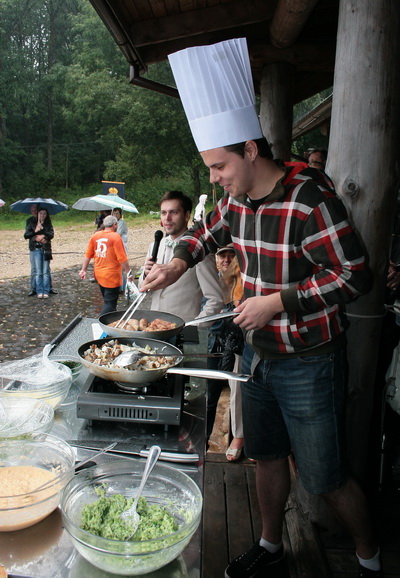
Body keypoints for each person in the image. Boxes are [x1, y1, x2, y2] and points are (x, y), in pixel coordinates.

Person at [141, 38, 382, 578]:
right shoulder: (234, 199)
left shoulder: (309, 199)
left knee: (325, 476)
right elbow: (201, 234)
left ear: (251, 150)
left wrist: (277, 300)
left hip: (310, 359)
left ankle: (371, 557)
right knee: (265, 455)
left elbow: (355, 275)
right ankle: (271, 549)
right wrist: (174, 266)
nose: (213, 178)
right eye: (209, 167)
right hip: (258, 358)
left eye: (219, 165)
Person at [138, 190, 223, 323]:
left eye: (174, 212)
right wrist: (145, 276)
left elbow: (215, 299)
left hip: (183, 332)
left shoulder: (199, 250)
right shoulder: (154, 246)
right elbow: (142, 291)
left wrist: (194, 328)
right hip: (153, 327)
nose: (167, 218)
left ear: (187, 215)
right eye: (164, 213)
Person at [207, 244, 245, 461]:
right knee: (210, 396)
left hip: (236, 342)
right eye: (222, 255)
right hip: (214, 345)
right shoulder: (210, 280)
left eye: (232, 255)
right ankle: (203, 440)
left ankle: (237, 437)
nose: (227, 259)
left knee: (238, 389)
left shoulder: (241, 279)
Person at [79, 215, 133, 315]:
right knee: (110, 304)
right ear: (115, 225)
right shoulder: (115, 237)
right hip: (111, 276)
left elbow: (88, 255)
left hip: (99, 275)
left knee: (108, 301)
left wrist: (83, 269)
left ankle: (111, 321)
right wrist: (128, 272)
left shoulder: (95, 236)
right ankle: (100, 323)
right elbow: (122, 258)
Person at [25, 204, 58, 296]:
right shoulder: (30, 221)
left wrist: (44, 236)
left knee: (46, 270)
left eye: (35, 210)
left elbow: (51, 233)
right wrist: (36, 234)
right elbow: (27, 235)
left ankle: (47, 288)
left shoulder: (48, 223)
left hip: (46, 248)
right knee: (36, 270)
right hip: (35, 248)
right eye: (33, 211)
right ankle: (35, 289)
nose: (34, 212)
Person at [112, 208, 129, 292]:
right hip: (116, 247)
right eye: (114, 213)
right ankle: (120, 286)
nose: (115, 215)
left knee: (122, 267)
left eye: (117, 213)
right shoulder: (114, 223)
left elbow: (117, 234)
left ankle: (123, 287)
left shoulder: (121, 223)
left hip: (122, 247)